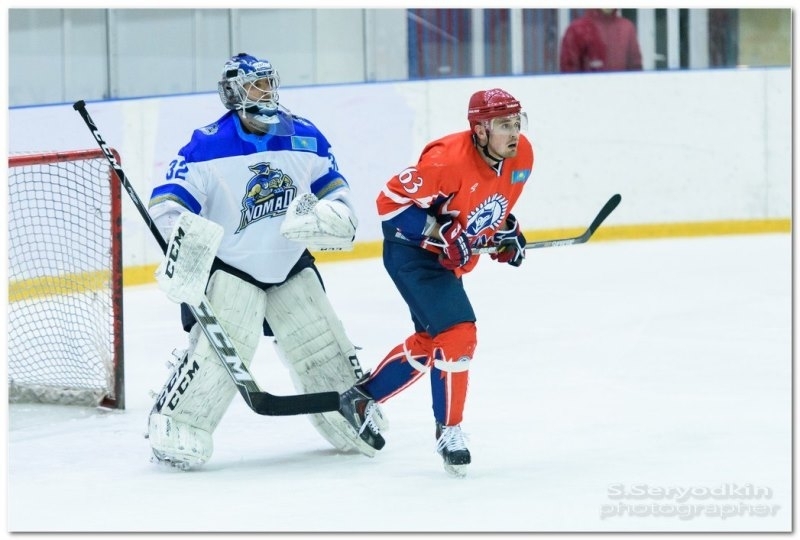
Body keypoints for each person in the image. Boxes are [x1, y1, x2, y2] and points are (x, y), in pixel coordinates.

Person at [145, 52, 385, 470]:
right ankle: (177, 423)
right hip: (233, 269)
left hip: (290, 263)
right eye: (255, 85)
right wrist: (187, 247)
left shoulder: (305, 135)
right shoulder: (206, 145)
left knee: (324, 345)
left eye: (268, 83)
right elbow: (167, 205)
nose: (265, 92)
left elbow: (337, 193)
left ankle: (349, 416)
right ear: (233, 93)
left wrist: (334, 215)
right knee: (219, 356)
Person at [338, 88, 534, 477]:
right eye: (503, 125)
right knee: (459, 334)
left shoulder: (521, 155)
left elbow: (488, 207)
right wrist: (439, 231)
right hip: (412, 255)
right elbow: (389, 203)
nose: (514, 133)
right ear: (480, 130)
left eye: (517, 123)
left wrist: (505, 233)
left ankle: (360, 399)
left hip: (447, 260)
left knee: (432, 343)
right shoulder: (446, 161)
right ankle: (450, 430)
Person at [559, 9, 643, 72]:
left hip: (621, 89)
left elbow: (636, 69)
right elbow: (568, 72)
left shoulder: (627, 28)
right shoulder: (577, 29)